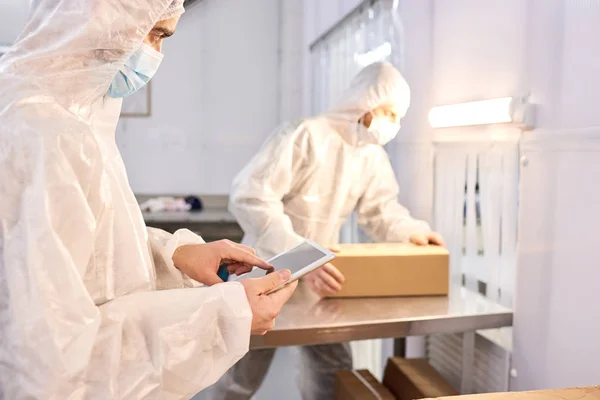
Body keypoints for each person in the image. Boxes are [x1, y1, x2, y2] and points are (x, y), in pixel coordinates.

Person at [0, 0, 297, 398]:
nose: (156, 54)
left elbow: (89, 253)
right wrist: (225, 316)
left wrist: (175, 255)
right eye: (155, 33)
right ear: (98, 16)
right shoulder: (44, 136)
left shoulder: (68, 116)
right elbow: (52, 366)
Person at [205, 62, 445, 400]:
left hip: (318, 278)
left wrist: (413, 232)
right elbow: (251, 196)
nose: (392, 124)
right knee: (239, 373)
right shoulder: (305, 135)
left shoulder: (370, 156)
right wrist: (302, 255)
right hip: (264, 274)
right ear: (364, 102)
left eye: (397, 117)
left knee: (333, 371)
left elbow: (381, 211)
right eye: (387, 113)